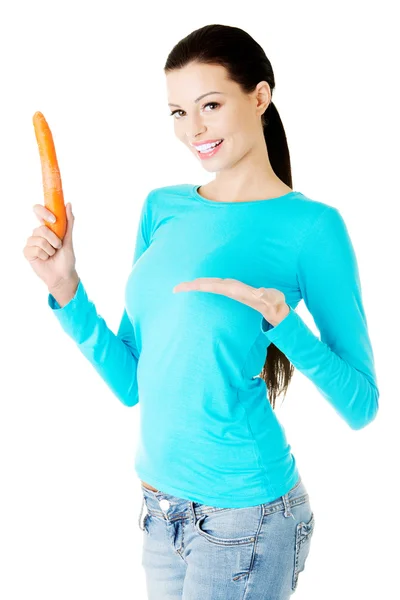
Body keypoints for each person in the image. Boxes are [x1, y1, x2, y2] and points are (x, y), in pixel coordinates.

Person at [23, 23, 379, 600]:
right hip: (162, 510)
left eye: (210, 105)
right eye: (178, 113)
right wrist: (67, 289)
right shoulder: (162, 208)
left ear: (259, 97)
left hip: (247, 520)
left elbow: (362, 405)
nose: (194, 130)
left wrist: (285, 325)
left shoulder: (312, 228)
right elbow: (134, 381)